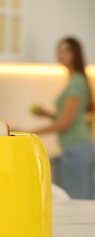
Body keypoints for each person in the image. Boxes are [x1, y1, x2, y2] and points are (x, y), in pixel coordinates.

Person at [30, 37, 95, 199]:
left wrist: (29, 133)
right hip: (78, 148)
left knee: (78, 202)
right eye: (59, 50)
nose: (61, 54)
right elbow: (70, 117)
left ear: (76, 54)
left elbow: (64, 123)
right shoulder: (75, 80)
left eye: (66, 51)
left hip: (77, 149)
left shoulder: (77, 82)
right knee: (82, 200)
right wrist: (48, 114)